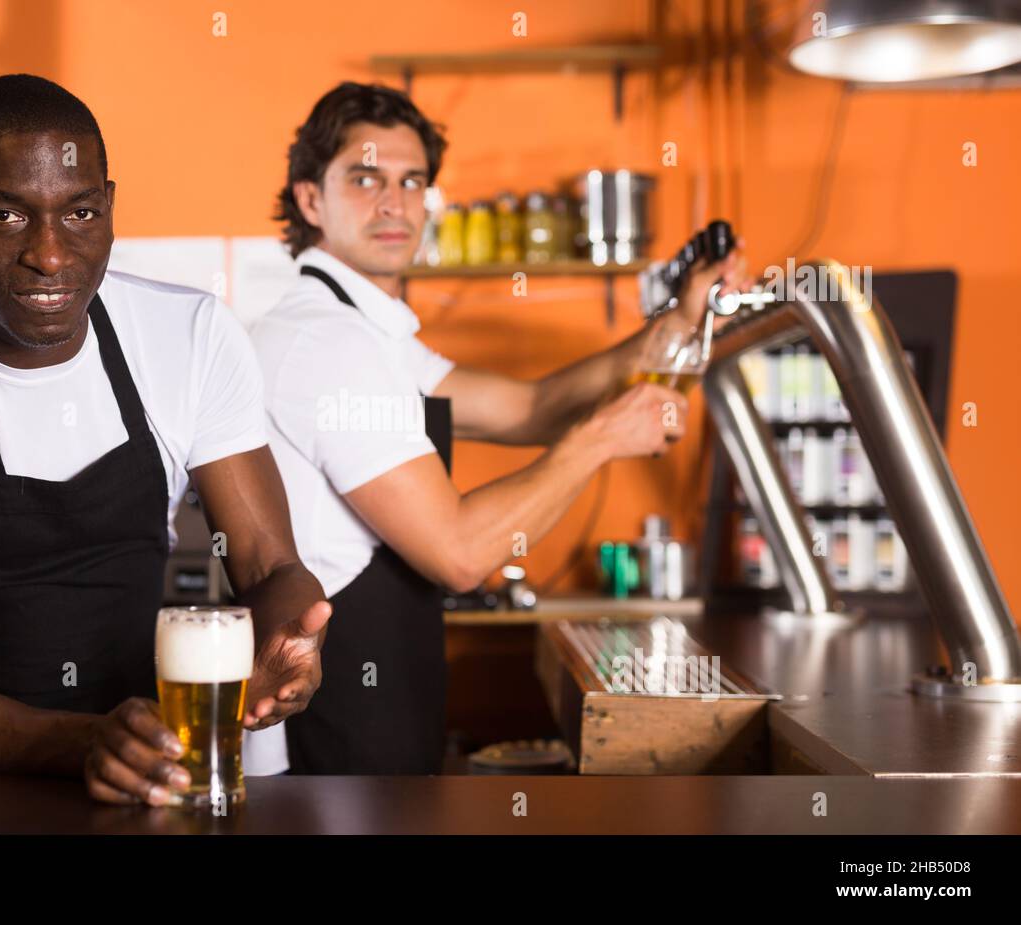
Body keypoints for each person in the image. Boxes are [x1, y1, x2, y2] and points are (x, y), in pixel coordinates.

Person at [0, 74, 330, 805]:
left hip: (140, 784)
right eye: (6, 216)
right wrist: (85, 739)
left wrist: (290, 644)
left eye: (80, 212)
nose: (51, 255)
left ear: (110, 207)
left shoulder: (191, 338)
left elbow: (272, 564)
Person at [248, 81, 748, 775]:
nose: (394, 203)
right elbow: (458, 553)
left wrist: (678, 322)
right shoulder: (327, 342)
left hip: (382, 701)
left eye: (412, 180)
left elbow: (532, 406)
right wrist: (604, 435)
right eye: (365, 179)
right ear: (311, 200)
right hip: (334, 729)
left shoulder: (368, 332)